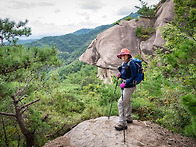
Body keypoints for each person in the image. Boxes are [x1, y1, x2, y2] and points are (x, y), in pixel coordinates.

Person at [115, 48, 137, 131]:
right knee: (127, 101)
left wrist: (126, 82)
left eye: (125, 55)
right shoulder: (124, 63)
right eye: (122, 55)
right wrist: (120, 76)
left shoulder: (131, 63)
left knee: (121, 103)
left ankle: (122, 123)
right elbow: (126, 74)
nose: (123, 57)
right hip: (124, 85)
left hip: (130, 86)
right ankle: (128, 118)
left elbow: (134, 76)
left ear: (128, 55)